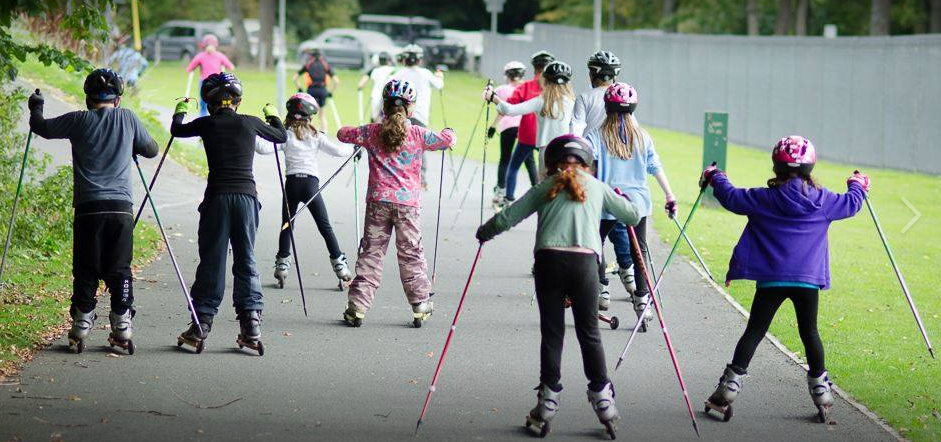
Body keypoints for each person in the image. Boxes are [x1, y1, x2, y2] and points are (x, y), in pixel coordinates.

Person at [476, 135, 641, 438]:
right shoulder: (597, 187)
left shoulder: (545, 186)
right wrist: (623, 198)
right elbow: (632, 215)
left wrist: (485, 232)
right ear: (587, 165)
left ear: (552, 164)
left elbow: (510, 216)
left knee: (553, 334)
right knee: (589, 333)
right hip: (585, 265)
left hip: (549, 263)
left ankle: (547, 403)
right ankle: (604, 402)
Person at [700, 136, 868, 423]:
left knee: (754, 331)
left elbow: (731, 197)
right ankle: (822, 393)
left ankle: (728, 389)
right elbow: (852, 204)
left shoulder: (764, 198)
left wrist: (716, 176)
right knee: (809, 333)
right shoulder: (824, 200)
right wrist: (858, 185)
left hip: (771, 281)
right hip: (807, 281)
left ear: (776, 166)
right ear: (810, 166)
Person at [28, 69, 159, 353]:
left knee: (86, 268)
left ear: (87, 98)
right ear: (118, 99)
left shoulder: (78, 120)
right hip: (121, 209)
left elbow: (42, 127)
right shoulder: (128, 118)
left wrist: (36, 107)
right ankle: (122, 324)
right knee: (120, 267)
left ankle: (82, 323)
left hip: (88, 208)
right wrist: (132, 145)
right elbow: (151, 150)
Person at [170, 73, 288, 355]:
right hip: (247, 199)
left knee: (212, 260)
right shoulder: (249, 122)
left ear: (210, 103)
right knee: (246, 259)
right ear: (237, 101)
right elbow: (281, 136)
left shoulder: (206, 123)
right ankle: (251, 326)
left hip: (217, 200)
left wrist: (180, 111)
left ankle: (201, 325)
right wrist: (272, 116)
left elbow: (177, 131)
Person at [336, 80, 456, 328]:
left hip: (378, 202)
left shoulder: (370, 132)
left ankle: (357, 307)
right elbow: (446, 141)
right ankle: (420, 304)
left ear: (384, 106)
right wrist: (449, 131)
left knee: (371, 254)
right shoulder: (418, 134)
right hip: (407, 206)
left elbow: (342, 133)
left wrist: (360, 135)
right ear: (410, 109)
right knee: (411, 253)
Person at [584, 83, 676, 321]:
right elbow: (655, 167)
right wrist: (669, 195)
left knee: (595, 245)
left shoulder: (594, 135)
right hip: (637, 204)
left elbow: (586, 165)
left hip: (605, 201)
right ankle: (642, 297)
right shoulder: (643, 137)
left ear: (606, 107)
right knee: (640, 250)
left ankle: (601, 288)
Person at [254, 93, 355, 289]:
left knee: (287, 225)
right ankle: (340, 266)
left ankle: (282, 265)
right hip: (311, 187)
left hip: (292, 185)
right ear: (310, 117)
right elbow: (340, 152)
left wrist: (251, 132)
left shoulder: (284, 136)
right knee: (325, 227)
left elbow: (262, 148)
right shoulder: (317, 136)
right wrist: (354, 148)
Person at [570, 51, 634, 306]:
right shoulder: (624, 96)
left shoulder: (584, 98)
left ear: (592, 74)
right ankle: (629, 275)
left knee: (594, 228)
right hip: (621, 170)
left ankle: (601, 288)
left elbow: (575, 131)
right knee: (617, 221)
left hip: (595, 168)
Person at [486, 61, 576, 181]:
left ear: (546, 81)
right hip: (567, 151)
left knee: (544, 185)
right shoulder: (572, 103)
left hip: (546, 151)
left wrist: (493, 98)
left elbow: (510, 110)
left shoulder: (541, 101)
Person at [501, 51, 553, 203]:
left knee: (514, 166)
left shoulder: (526, 86)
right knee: (547, 168)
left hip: (527, 134)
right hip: (546, 135)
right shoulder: (554, 89)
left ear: (534, 68)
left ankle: (509, 198)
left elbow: (510, 105)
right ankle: (545, 197)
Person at [390, 44, 444, 189]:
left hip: (400, 114)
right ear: (419, 60)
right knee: (419, 146)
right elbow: (439, 85)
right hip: (420, 116)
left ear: (404, 59)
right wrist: (439, 75)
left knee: (398, 143)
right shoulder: (426, 73)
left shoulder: (398, 74)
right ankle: (421, 179)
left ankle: (398, 177)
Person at [486, 61, 527, 211]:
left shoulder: (502, 89)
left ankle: (500, 192)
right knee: (527, 161)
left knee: (505, 159)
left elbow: (489, 98)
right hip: (524, 128)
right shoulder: (526, 87)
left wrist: (488, 89)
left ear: (507, 75)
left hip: (507, 128)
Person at [185, 34, 235, 116]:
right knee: (204, 100)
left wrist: (228, 67)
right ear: (205, 46)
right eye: (208, 45)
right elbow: (190, 68)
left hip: (217, 82)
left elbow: (230, 66)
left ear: (215, 46)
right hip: (205, 81)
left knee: (217, 99)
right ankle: (203, 115)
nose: (210, 48)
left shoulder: (220, 56)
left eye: (212, 45)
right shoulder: (200, 56)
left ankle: (216, 114)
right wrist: (191, 68)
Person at [294, 49, 340, 132]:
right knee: (322, 115)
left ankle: (308, 133)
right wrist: (330, 92)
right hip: (323, 91)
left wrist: (299, 88)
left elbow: (295, 78)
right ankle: (324, 133)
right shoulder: (325, 65)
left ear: (311, 56)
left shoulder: (308, 65)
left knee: (309, 114)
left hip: (311, 91)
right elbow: (337, 81)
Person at [356, 52, 397, 122]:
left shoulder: (374, 70)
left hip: (376, 96)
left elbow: (360, 84)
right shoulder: (393, 70)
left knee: (375, 119)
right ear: (388, 61)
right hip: (390, 97)